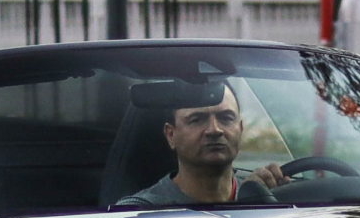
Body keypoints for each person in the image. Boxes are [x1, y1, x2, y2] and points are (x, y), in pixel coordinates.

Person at [115, 83, 289, 207]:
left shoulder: (267, 196)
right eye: (196, 119)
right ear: (171, 135)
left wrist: (265, 200)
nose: (214, 130)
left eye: (226, 118)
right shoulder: (137, 212)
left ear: (240, 128)